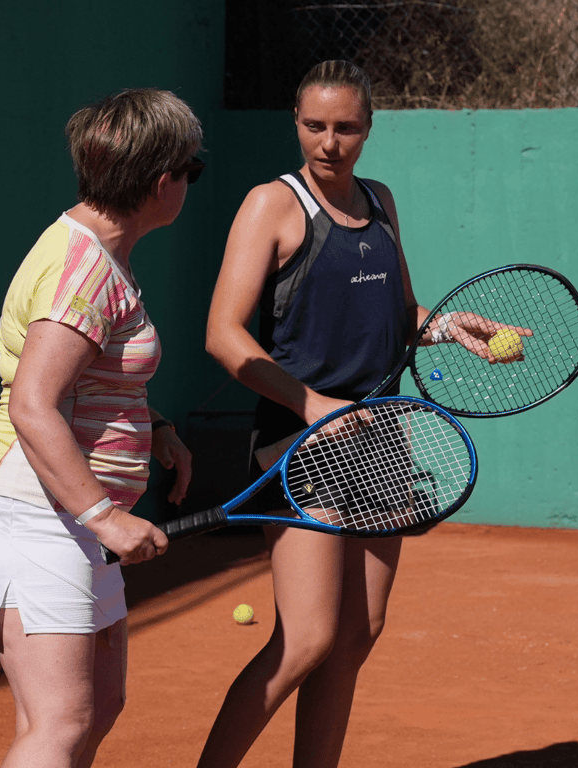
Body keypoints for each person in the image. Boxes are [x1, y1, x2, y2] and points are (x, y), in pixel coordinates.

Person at [196, 60, 460, 767]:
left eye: (346, 127)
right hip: (298, 437)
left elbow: (402, 314)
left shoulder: (380, 202)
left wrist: (445, 325)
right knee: (307, 639)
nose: (329, 142)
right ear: (296, 124)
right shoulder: (270, 205)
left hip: (380, 440)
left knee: (358, 633)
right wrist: (313, 406)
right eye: (315, 126)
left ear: (368, 129)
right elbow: (223, 333)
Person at [0, 88, 201, 768]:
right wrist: (103, 517)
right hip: (37, 512)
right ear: (162, 182)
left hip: (64, 513)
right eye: (192, 169)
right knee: (61, 723)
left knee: (92, 708)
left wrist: (152, 425)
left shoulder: (101, 252)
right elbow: (33, 403)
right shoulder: (85, 268)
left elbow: (86, 377)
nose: (189, 181)